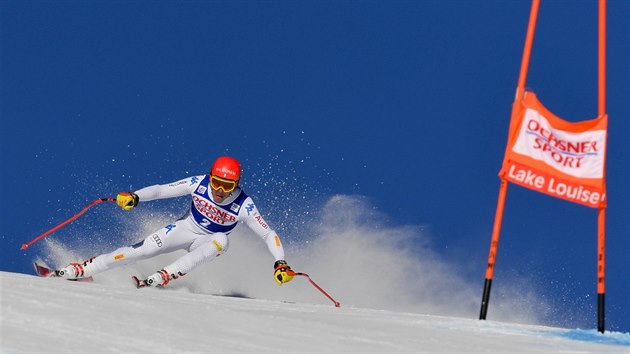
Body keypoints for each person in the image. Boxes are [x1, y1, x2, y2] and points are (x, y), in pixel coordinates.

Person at [55, 156, 294, 288]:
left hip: (207, 242)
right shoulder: (198, 184)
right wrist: (136, 196)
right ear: (210, 177)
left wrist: (280, 262)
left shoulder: (244, 204)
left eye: (227, 186)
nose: (220, 191)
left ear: (236, 185)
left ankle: (165, 275)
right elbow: (161, 190)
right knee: (142, 250)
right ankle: (84, 269)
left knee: (221, 240)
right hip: (185, 228)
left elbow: (267, 233)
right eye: (217, 183)